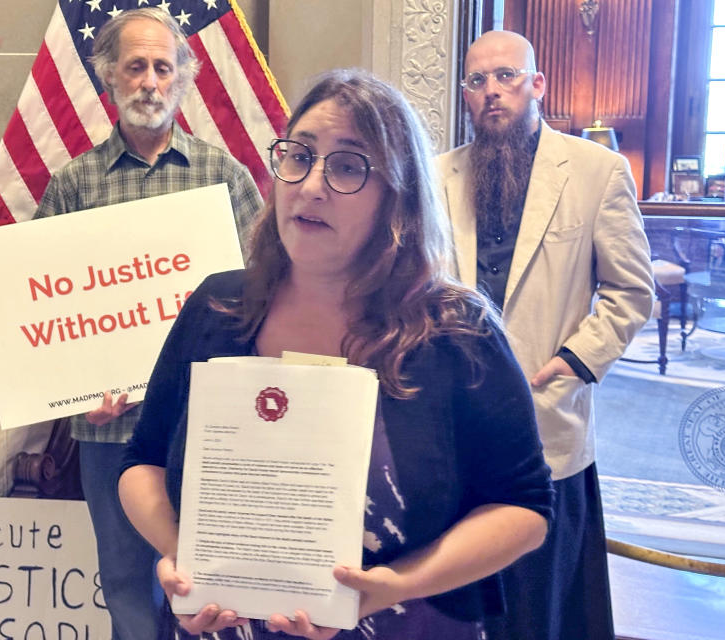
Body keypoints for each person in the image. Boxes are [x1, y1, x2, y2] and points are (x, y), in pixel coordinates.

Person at [117, 68, 554, 640]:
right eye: (299, 156)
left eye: (348, 166)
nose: (311, 184)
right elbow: (141, 462)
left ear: (397, 196)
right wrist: (190, 558)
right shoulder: (217, 307)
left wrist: (397, 583)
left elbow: (524, 507)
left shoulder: (456, 332)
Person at [33, 8, 262, 640]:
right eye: (135, 67)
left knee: (211, 584)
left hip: (205, 428)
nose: (150, 82)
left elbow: (266, 297)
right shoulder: (73, 185)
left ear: (183, 79)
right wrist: (76, 389)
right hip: (109, 433)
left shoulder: (226, 176)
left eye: (164, 67)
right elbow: (40, 307)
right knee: (126, 584)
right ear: (109, 77)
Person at [437, 30, 655, 640]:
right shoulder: (436, 175)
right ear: (466, 96)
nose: (492, 92)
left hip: (548, 417)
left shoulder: (597, 171)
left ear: (537, 84)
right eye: (478, 81)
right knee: (463, 606)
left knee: (541, 610)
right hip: (455, 427)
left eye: (506, 76)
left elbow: (632, 291)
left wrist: (573, 360)